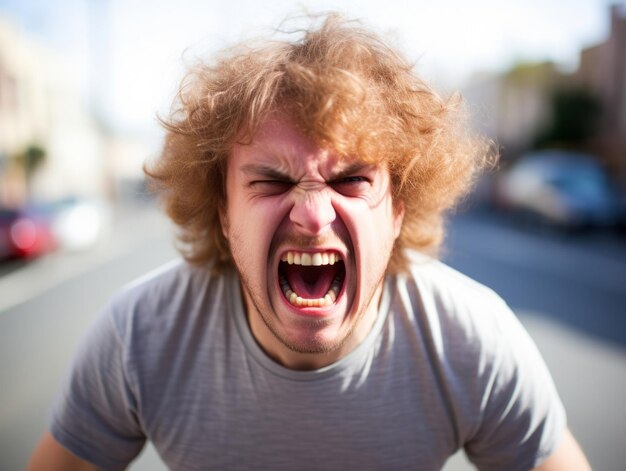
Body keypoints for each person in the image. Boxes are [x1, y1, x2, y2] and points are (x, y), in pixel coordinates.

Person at [28, 14, 591, 471]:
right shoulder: (138, 338)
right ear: (223, 211)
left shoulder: (471, 338)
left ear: (397, 210)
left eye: (351, 180)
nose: (314, 214)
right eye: (271, 181)